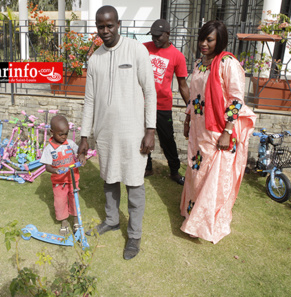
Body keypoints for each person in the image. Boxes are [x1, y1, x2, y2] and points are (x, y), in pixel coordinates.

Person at [78, 5, 156, 260]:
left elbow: (150, 92)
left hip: (133, 134)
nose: (105, 31)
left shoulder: (136, 50)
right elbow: (89, 100)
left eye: (110, 25)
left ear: (118, 23)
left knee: (134, 185)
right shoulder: (94, 58)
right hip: (105, 134)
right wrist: (84, 135)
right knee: (109, 180)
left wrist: (150, 130)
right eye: (101, 26)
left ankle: (134, 236)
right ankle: (111, 220)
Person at [180, 20, 256, 243]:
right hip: (197, 128)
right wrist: (187, 118)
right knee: (195, 170)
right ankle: (192, 212)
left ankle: (203, 222)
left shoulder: (228, 64)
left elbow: (235, 100)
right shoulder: (198, 63)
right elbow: (194, 95)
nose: (204, 43)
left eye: (209, 40)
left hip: (216, 129)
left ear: (219, 40)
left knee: (211, 174)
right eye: (202, 39)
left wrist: (227, 131)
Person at [143, 19, 190, 184]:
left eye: (158, 36)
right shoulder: (144, 48)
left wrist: (190, 108)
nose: (155, 39)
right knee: (142, 137)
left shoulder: (177, 56)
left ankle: (174, 171)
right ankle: (147, 167)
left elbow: (183, 85)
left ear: (168, 34)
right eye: (153, 36)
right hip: (142, 103)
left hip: (163, 105)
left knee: (167, 139)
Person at [40, 115, 80, 236]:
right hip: (59, 181)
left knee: (74, 199)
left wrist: (82, 157)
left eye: (66, 134)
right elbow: (47, 166)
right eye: (60, 134)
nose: (63, 137)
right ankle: (64, 222)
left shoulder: (71, 144)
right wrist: (56, 171)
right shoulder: (49, 149)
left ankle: (76, 220)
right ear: (52, 132)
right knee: (60, 202)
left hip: (73, 178)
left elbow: (79, 153)